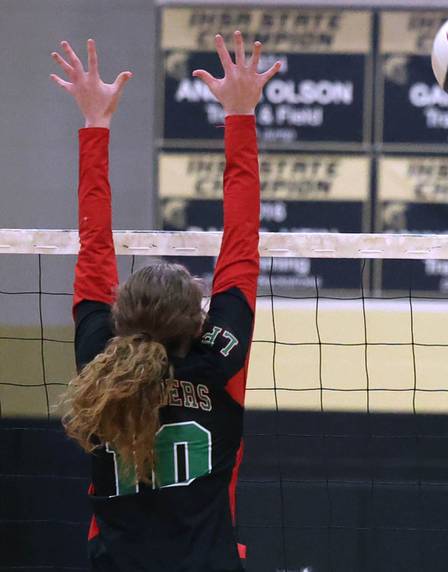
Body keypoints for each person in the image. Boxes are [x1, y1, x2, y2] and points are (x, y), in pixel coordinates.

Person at [53, 33, 279, 571]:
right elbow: (241, 238)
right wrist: (241, 115)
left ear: (120, 316)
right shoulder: (218, 358)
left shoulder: (98, 362)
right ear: (197, 320)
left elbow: (93, 247)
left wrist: (95, 124)